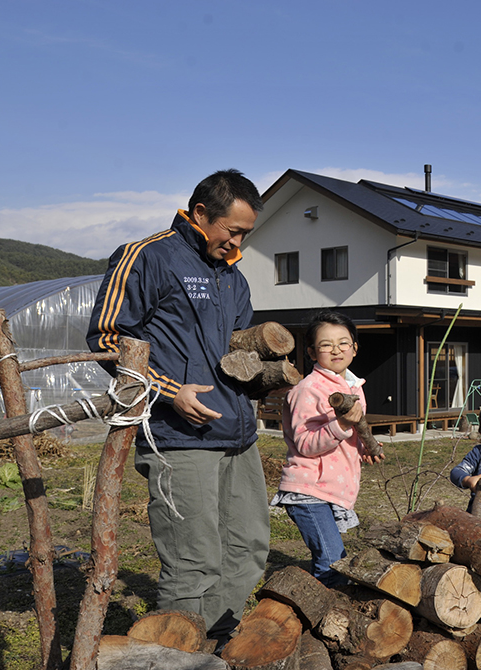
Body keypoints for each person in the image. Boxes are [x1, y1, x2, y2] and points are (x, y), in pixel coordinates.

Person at [86, 169, 268, 648]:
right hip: (177, 437)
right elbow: (108, 340)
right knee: (193, 560)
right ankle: (173, 655)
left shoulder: (234, 278)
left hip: (238, 434)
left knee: (248, 549)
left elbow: (236, 352)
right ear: (202, 214)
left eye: (246, 234)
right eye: (233, 231)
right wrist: (170, 391)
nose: (238, 243)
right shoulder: (146, 257)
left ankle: (212, 643)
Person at [271, 311, 384, 586]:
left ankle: (322, 603)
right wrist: (342, 424)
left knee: (331, 555)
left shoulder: (354, 386)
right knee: (332, 559)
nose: (336, 349)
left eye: (343, 342)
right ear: (311, 351)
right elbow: (306, 444)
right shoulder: (308, 390)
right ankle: (327, 612)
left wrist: (363, 446)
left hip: (331, 487)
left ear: (355, 348)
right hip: (308, 488)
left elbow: (353, 429)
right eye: (326, 344)